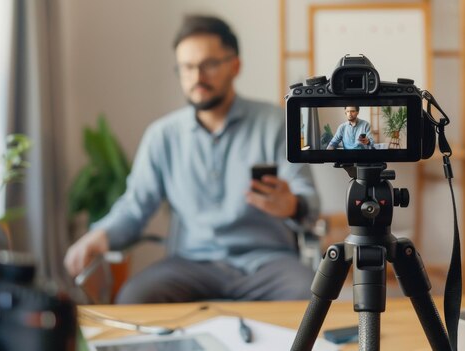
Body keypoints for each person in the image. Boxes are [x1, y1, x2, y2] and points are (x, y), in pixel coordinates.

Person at [64, 15, 320, 303]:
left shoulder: (276, 123)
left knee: (310, 296)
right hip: (189, 265)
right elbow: (135, 207)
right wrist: (98, 236)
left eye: (209, 64)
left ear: (235, 65)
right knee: (134, 298)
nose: (197, 77)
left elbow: (309, 200)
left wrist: (292, 205)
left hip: (268, 263)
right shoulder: (163, 135)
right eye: (187, 67)